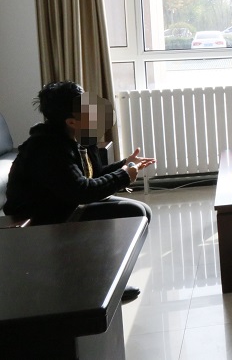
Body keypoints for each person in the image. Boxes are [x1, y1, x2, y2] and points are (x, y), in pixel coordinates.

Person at [4, 81, 156, 301]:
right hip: (43, 218)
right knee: (133, 213)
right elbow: (83, 190)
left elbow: (92, 176)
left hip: (65, 204)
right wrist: (124, 175)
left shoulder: (77, 137)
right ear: (71, 121)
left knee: (142, 211)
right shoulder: (48, 148)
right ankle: (96, 283)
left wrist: (124, 165)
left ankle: (108, 279)